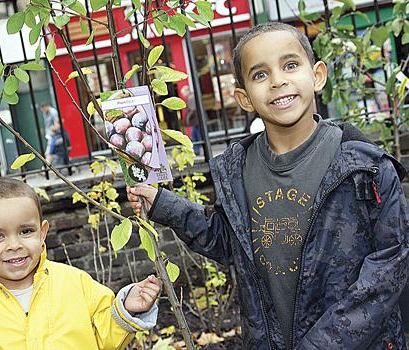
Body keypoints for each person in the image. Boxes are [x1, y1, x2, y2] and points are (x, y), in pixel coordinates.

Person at [127, 22, 409, 349]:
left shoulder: (364, 167)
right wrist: (161, 203)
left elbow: (389, 267)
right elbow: (228, 239)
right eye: (260, 75)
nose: (278, 81)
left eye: (290, 65)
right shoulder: (237, 169)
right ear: (244, 98)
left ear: (317, 75)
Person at [0, 177, 162, 349]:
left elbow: (105, 338)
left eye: (26, 231)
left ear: (42, 233)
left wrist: (126, 310)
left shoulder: (76, 283)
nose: (14, 245)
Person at [185, 86, 202, 156]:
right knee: (197, 135)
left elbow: (192, 109)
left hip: (194, 120)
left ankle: (196, 151)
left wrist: (187, 118)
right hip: (197, 119)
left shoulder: (190, 97)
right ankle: (197, 150)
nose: (184, 95)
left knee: (194, 136)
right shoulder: (192, 96)